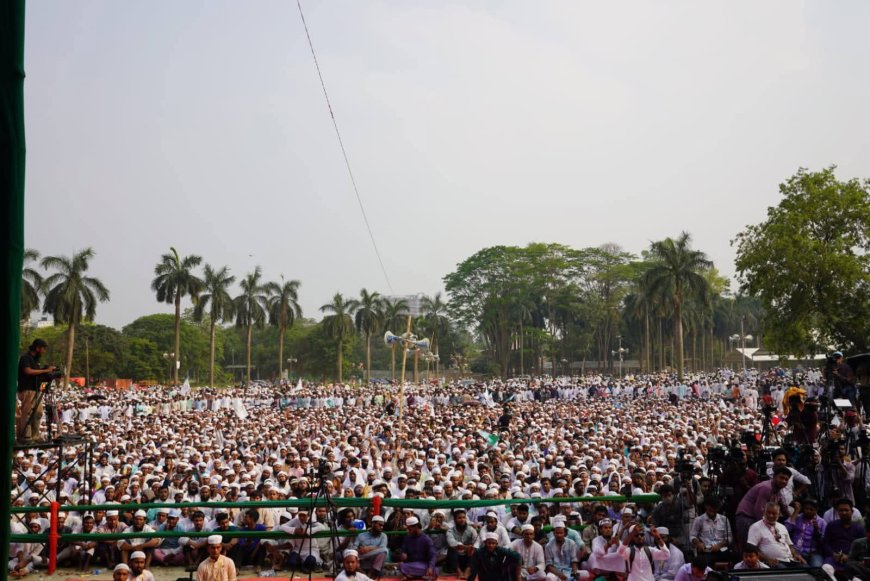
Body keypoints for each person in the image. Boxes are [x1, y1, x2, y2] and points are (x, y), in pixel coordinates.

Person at [735, 467, 791, 547]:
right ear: (774, 477)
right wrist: (766, 528)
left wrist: (793, 518)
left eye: (786, 479)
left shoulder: (777, 491)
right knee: (750, 548)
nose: (783, 481)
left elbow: (783, 507)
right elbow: (759, 510)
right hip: (746, 518)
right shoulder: (766, 488)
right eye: (781, 478)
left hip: (753, 518)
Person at [17, 339, 56, 441]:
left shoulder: (35, 361)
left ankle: (35, 436)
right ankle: (26, 436)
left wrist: (46, 374)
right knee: (27, 413)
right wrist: (45, 370)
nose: (44, 351)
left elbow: (38, 376)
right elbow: (28, 371)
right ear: (37, 348)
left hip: (36, 390)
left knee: (38, 413)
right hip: (27, 390)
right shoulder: (25, 358)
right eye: (43, 349)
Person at [746, 502, 805, 567]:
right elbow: (752, 549)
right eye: (768, 512)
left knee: (807, 568)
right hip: (772, 562)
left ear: (779, 514)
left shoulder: (782, 527)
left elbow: (790, 545)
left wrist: (796, 555)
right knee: (783, 569)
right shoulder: (755, 527)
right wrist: (768, 560)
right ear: (764, 512)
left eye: (774, 514)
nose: (771, 515)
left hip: (790, 560)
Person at [821, 497, 865, 574]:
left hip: (851, 560)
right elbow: (825, 543)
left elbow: (862, 548)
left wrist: (849, 556)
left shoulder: (859, 528)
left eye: (846, 510)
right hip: (833, 558)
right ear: (838, 512)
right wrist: (833, 554)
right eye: (841, 510)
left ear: (852, 511)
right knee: (826, 568)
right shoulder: (831, 525)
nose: (844, 513)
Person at [688, 497, 734, 567]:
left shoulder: (724, 519)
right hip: (707, 550)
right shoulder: (699, 520)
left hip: (721, 549)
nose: (712, 512)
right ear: (706, 506)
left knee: (734, 557)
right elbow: (692, 536)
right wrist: (698, 543)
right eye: (710, 510)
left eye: (714, 510)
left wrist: (719, 545)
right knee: (706, 561)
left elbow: (729, 538)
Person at [783, 497, 825, 567]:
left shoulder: (822, 522)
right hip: (795, 551)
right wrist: (796, 511)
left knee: (817, 567)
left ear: (816, 510)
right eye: (806, 509)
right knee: (803, 567)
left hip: (813, 553)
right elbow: (786, 530)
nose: (808, 511)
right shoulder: (797, 517)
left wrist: (817, 531)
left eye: (811, 509)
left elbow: (823, 542)